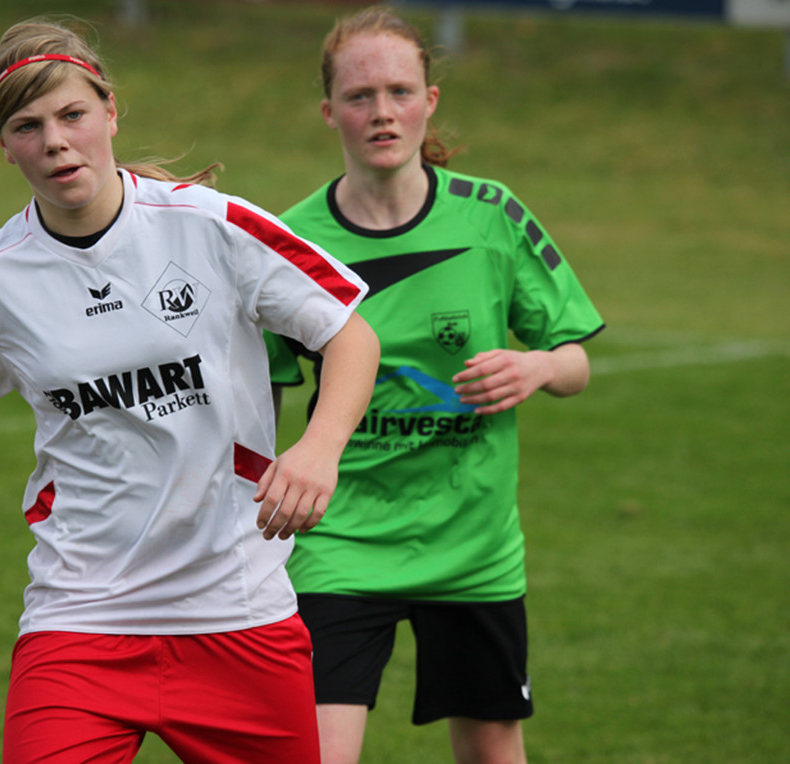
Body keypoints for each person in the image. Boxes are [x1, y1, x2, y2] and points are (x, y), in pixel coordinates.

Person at [0, 17, 379, 764]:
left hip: (238, 608)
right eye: (28, 126)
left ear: (110, 111)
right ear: (5, 146)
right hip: (79, 616)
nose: (56, 142)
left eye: (72, 115)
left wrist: (319, 448)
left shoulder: (210, 225)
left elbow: (349, 333)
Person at [264, 6, 605, 764]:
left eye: (400, 92)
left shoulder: (492, 216)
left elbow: (575, 360)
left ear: (430, 100)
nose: (382, 112)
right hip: (340, 538)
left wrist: (538, 366)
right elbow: (260, 393)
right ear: (329, 112)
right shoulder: (291, 241)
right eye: (359, 96)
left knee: (492, 752)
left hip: (473, 542)